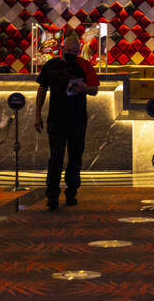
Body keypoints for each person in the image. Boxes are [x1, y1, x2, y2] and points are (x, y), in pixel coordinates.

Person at [35, 30, 99, 210]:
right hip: (55, 119)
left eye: (74, 50)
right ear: (62, 48)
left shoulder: (85, 66)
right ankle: (52, 195)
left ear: (78, 50)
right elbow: (42, 89)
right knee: (55, 157)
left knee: (75, 157)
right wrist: (37, 114)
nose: (70, 53)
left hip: (78, 119)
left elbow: (94, 90)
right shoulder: (50, 66)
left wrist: (83, 89)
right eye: (68, 49)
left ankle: (71, 192)